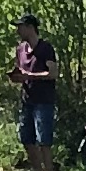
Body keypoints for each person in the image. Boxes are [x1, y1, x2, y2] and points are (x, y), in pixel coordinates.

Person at [12, 15, 59, 161]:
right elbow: (21, 72)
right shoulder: (20, 50)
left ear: (31, 28)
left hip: (43, 100)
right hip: (27, 100)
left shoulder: (46, 48)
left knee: (44, 140)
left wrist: (29, 76)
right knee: (26, 138)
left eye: (20, 27)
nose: (18, 30)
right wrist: (16, 77)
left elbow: (53, 73)